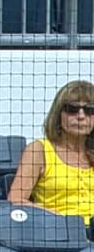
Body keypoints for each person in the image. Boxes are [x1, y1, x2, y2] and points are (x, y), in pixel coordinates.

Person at [8, 80, 94, 222]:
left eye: (90, 110)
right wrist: (56, 217)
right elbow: (16, 199)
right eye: (72, 109)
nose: (81, 116)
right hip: (57, 233)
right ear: (58, 114)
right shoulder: (39, 150)